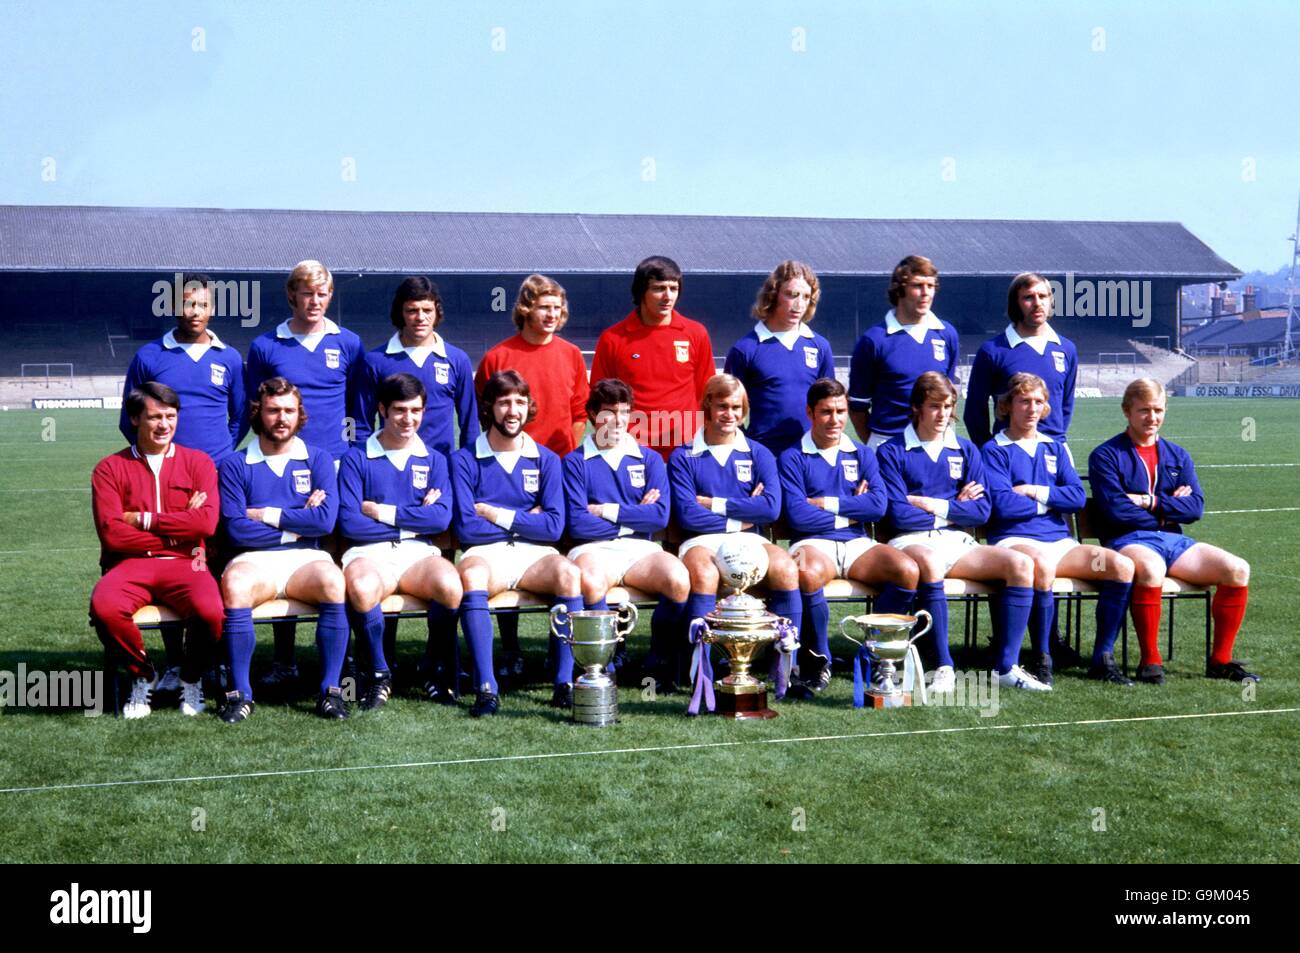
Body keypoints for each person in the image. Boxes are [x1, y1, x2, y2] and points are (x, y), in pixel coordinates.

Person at [876, 372, 1049, 692]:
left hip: (958, 540)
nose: (942, 414)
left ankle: (1005, 668)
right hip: (910, 540)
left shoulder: (966, 449)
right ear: (916, 408)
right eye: (934, 406)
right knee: (927, 562)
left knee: (1021, 565)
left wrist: (930, 505)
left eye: (948, 406)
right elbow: (899, 513)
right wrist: (954, 506)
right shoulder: (891, 451)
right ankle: (943, 666)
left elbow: (982, 510)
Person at [119, 273, 246, 698]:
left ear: (213, 308)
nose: (195, 313)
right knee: (171, 563)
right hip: (168, 481)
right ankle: (176, 662)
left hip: (218, 477)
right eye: (188, 304)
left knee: (220, 564)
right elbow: (129, 418)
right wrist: (167, 468)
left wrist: (216, 458)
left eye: (203, 305)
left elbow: (240, 415)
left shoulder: (228, 357)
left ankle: (218, 658)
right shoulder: (150, 355)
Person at [243, 260, 366, 692]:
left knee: (336, 557)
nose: (315, 302)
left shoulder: (348, 343)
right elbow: (253, 406)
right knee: (283, 551)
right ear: (291, 295)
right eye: (306, 293)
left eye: (322, 293)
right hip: (282, 461)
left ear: (330, 296)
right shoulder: (265, 346)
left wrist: (354, 458)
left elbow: (359, 407)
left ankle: (347, 658)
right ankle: (284, 658)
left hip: (332, 465)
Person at [1088, 378, 1259, 684]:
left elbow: (1195, 508)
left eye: (1158, 410)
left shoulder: (1178, 455)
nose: (1151, 417)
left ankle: (1220, 661)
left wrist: (1147, 501)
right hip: (1127, 540)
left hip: (1175, 541)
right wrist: (1167, 509)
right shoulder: (1106, 455)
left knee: (1237, 569)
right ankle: (1150, 662)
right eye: (1143, 410)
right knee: (1151, 568)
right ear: (1127, 411)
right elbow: (1115, 510)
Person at [980, 373, 1134, 686]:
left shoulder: (1055, 447)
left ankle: (1102, 658)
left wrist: (1034, 491)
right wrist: (1052, 502)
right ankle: (1043, 657)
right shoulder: (994, 449)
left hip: (1060, 542)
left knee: (1120, 566)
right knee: (1043, 566)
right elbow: (1003, 505)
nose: (1032, 408)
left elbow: (1076, 498)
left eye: (1038, 401)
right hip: (1013, 540)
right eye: (1024, 401)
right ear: (1008, 405)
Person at [475, 275, 590, 681]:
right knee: (501, 550)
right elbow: (483, 417)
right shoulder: (497, 356)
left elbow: (579, 415)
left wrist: (557, 464)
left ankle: (561, 653)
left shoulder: (573, 354)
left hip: (553, 470)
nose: (552, 315)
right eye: (545, 307)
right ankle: (510, 649)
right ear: (525, 308)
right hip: (503, 470)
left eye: (558, 309)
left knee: (557, 558)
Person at [451, 371, 582, 716]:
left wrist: (495, 514)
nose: (513, 410)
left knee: (569, 574)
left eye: (520, 402)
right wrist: (528, 518)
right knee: (472, 578)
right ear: (489, 407)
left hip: (535, 556)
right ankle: (486, 687)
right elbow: (467, 528)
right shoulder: (464, 459)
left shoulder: (547, 459)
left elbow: (553, 527)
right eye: (505, 401)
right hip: (485, 555)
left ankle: (564, 683)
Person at [216, 378, 347, 722]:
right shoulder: (234, 464)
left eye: (289, 410)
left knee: (334, 581)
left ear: (299, 414)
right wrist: (297, 523)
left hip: (307, 560)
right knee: (235, 586)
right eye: (273, 410)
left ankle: (331, 691)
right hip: (253, 559)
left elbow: (324, 523)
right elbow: (235, 528)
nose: (281, 418)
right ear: (258, 413)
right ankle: (240, 694)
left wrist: (267, 516)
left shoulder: (318, 459)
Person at [90, 382, 223, 719]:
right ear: (135, 419)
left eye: (171, 416)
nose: (164, 425)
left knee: (211, 612)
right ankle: (142, 674)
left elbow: (206, 526)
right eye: (154, 417)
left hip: (189, 564)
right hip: (130, 564)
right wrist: (181, 527)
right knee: (105, 609)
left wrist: (145, 520)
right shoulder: (109, 468)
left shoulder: (199, 463)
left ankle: (190, 678)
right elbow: (113, 536)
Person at [778, 378, 919, 692]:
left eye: (841, 411)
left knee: (907, 571)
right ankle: (819, 659)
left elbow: (879, 506)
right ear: (810, 412)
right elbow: (797, 514)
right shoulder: (792, 456)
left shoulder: (862, 453)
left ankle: (873, 653)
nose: (835, 419)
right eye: (826, 412)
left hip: (857, 542)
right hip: (812, 542)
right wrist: (856, 505)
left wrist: (826, 502)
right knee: (806, 573)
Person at [338, 373, 462, 709]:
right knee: (362, 588)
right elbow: (350, 523)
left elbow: (440, 520)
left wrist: (378, 511)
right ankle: (379, 673)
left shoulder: (435, 458)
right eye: (399, 411)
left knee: (450, 585)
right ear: (382, 410)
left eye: (415, 410)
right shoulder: (356, 457)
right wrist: (413, 518)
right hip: (368, 553)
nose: (408, 419)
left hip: (418, 554)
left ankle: (432, 667)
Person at [563, 378, 689, 688]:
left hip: (639, 551)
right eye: (609, 412)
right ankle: (607, 660)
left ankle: (657, 659)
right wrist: (636, 514)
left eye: (624, 412)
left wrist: (606, 510)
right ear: (593, 414)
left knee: (678, 580)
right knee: (590, 583)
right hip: (593, 549)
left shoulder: (649, 459)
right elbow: (579, 524)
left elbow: (659, 516)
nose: (618, 421)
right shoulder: (575, 462)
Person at [668, 374, 802, 656]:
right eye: (722, 406)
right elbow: (688, 516)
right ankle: (700, 664)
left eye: (736, 408)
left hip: (750, 539)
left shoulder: (759, 453)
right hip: (701, 541)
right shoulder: (684, 455)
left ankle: (786, 663)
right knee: (704, 575)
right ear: (708, 406)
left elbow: (770, 508)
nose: (730, 414)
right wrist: (744, 511)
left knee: (787, 569)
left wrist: (712, 504)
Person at [591, 255, 714, 459]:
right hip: (631, 449)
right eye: (658, 288)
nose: (668, 296)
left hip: (684, 449)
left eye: (673, 288)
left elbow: (707, 393)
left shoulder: (695, 333)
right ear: (641, 291)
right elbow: (599, 400)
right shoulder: (612, 339)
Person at [357, 276, 479, 456]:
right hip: (389, 465)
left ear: (437, 312)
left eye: (427, 310)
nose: (420, 317)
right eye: (412, 310)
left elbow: (470, 424)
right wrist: (361, 463)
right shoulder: (375, 361)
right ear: (401, 313)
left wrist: (469, 468)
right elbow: (360, 423)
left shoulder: (457, 360)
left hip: (441, 469)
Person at [724, 260, 835, 456]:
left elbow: (831, 403)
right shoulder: (745, 349)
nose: (799, 304)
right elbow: (728, 408)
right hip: (765, 455)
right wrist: (745, 453)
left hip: (810, 455)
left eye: (806, 297)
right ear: (773, 295)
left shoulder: (820, 346)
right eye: (791, 295)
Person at [847, 255, 959, 449]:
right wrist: (879, 448)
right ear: (899, 290)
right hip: (888, 442)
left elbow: (949, 396)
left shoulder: (946, 334)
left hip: (936, 444)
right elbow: (857, 407)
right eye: (917, 286)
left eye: (930, 286)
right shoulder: (874, 340)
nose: (926, 293)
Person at [964, 272, 1079, 449]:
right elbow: (974, 411)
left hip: (1055, 452)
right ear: (1015, 304)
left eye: (1043, 296)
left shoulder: (1066, 349)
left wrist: (1055, 443)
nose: (1037, 303)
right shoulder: (993, 350)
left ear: (1050, 301)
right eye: (1028, 297)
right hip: (1008, 453)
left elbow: (1066, 406)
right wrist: (989, 451)